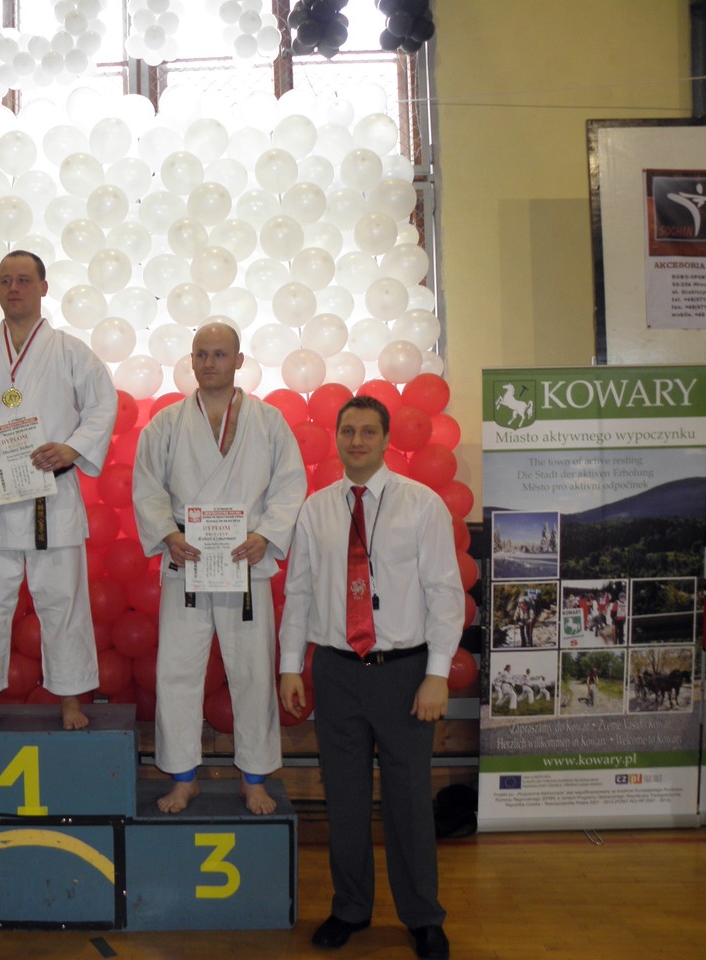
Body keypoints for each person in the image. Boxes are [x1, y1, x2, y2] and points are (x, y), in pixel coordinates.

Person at [279, 395, 463, 960]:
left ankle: (422, 916)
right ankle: (351, 907)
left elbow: (445, 594)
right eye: (348, 431)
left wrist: (437, 675)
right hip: (335, 670)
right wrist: (291, 665)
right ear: (336, 439)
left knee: (409, 800)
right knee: (345, 797)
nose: (356, 441)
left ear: (386, 440)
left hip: (404, 674)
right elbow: (299, 592)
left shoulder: (422, 504)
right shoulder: (315, 510)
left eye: (367, 432)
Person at [0, 250, 117, 732]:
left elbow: (102, 405)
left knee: (63, 602)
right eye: (5, 281)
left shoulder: (72, 352)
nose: (13, 289)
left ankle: (71, 700)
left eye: (23, 280)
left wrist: (73, 447)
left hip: (49, 492)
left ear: (43, 288)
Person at [132, 321, 306, 815]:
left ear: (239, 361)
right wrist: (168, 534)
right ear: (191, 360)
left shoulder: (269, 421)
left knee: (252, 672)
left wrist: (265, 535)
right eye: (201, 354)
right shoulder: (165, 424)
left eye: (220, 354)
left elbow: (290, 485)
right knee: (178, 671)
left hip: (245, 561)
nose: (209, 363)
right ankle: (183, 777)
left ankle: (254, 779)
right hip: (185, 559)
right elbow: (147, 486)